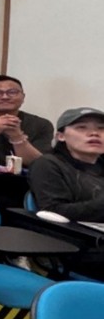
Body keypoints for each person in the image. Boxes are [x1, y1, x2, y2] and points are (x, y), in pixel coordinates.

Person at [28, 107, 104, 279]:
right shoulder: (48, 164)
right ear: (60, 136)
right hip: (77, 244)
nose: (94, 133)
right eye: (82, 128)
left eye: (101, 128)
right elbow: (53, 211)